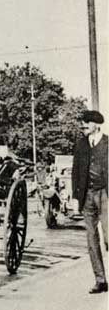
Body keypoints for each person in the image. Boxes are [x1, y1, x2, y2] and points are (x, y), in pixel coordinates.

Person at [72, 109, 108, 294]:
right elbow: (76, 172)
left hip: (106, 195)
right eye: (83, 122)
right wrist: (75, 197)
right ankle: (100, 280)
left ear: (96, 125)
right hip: (87, 196)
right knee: (91, 239)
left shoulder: (108, 143)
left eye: (87, 122)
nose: (84, 125)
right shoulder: (80, 145)